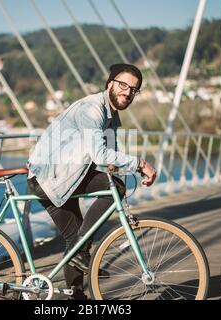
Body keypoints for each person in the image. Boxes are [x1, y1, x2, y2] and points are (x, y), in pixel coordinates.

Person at [26, 63, 157, 299]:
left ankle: (75, 293)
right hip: (48, 177)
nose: (127, 92)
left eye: (133, 90)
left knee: (75, 238)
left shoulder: (111, 116)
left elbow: (109, 161)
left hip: (66, 174)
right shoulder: (92, 109)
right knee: (112, 188)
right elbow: (101, 156)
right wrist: (140, 164)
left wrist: (129, 169)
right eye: (123, 85)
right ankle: (81, 254)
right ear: (110, 84)